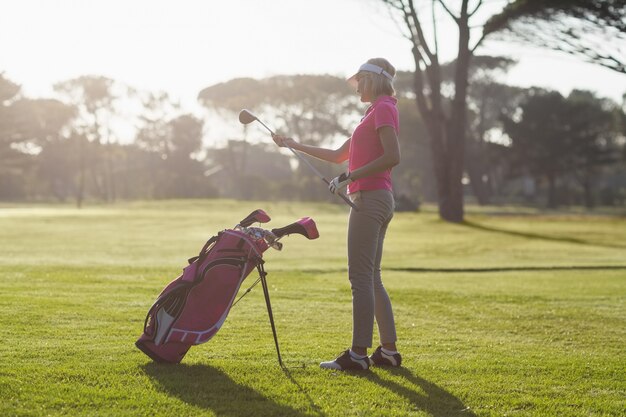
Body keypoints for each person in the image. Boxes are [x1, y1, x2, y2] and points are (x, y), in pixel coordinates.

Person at [272, 58, 402, 371]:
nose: (356, 86)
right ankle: (388, 352)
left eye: (360, 80)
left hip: (370, 198)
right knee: (371, 276)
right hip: (376, 198)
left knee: (360, 277)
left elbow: (393, 156)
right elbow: (336, 155)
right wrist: (293, 145)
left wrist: (348, 176)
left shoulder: (384, 107)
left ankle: (358, 355)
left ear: (372, 80)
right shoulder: (373, 112)